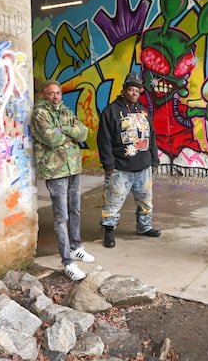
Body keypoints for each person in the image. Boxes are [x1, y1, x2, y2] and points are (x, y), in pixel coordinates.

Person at [32, 79, 95, 281]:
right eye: (51, 93)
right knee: (61, 217)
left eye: (58, 93)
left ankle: (76, 247)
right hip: (55, 170)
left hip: (73, 167)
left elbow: (83, 133)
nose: (55, 96)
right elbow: (51, 139)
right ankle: (67, 261)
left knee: (75, 209)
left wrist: (63, 130)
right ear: (44, 95)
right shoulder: (39, 114)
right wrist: (68, 132)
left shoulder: (66, 111)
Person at [97, 71, 161, 248]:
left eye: (137, 91)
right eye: (131, 90)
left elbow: (152, 137)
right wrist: (108, 164)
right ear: (124, 90)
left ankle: (145, 227)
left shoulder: (143, 111)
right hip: (119, 168)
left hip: (143, 167)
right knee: (113, 202)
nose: (134, 93)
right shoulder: (111, 111)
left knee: (145, 200)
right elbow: (104, 140)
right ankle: (109, 232)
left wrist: (154, 160)